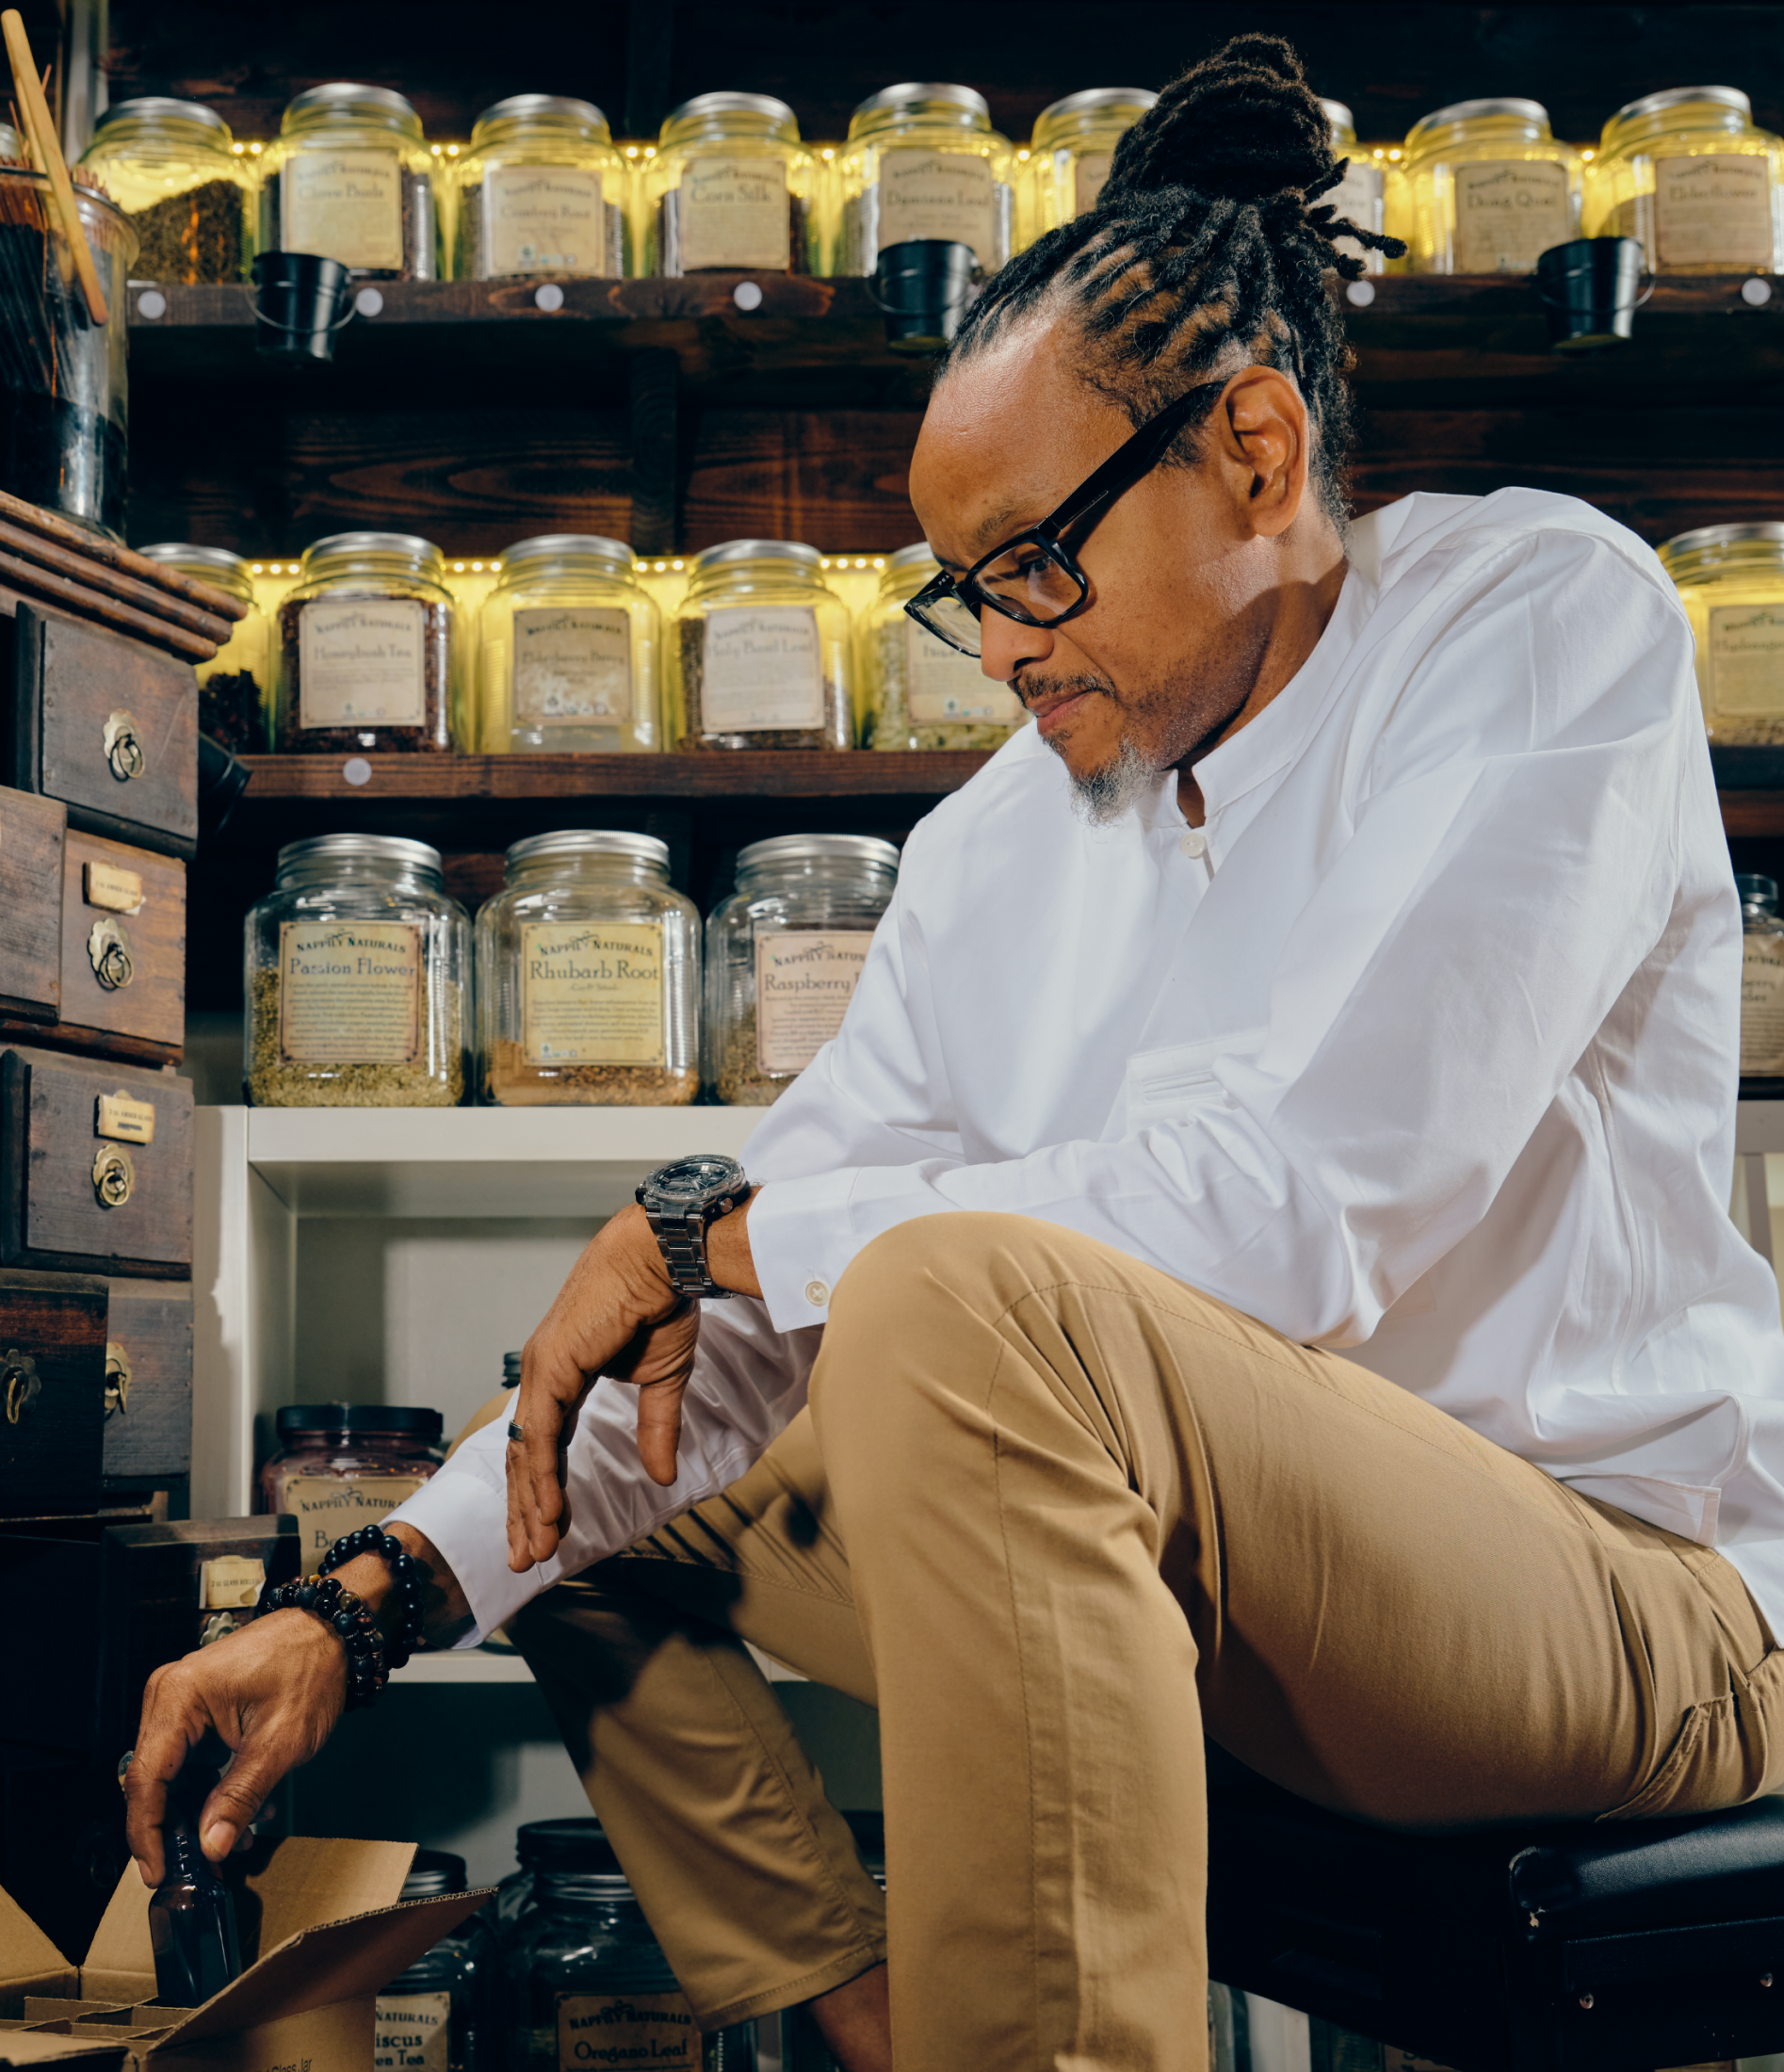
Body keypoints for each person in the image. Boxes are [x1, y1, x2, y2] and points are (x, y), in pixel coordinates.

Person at [124, 35, 1784, 2072]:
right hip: (1219, 1579)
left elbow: (1291, 1206)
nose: (1000, 648)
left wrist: (714, 1231)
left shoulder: (1533, 616)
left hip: (1615, 1596)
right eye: (961, 596)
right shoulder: (1006, 831)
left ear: (1252, 451)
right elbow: (727, 1311)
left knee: (950, 1297)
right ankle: (889, 2027)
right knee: (588, 1473)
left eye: (1029, 565)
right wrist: (356, 1600)